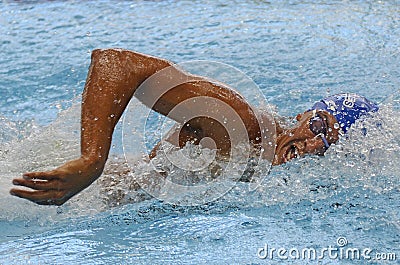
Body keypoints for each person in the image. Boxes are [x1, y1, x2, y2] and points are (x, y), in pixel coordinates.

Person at [9, 49, 379, 206]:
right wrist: (92, 160)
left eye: (329, 145)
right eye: (317, 125)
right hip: (62, 190)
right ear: (302, 115)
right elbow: (116, 63)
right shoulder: (243, 127)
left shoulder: (285, 173)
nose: (313, 145)